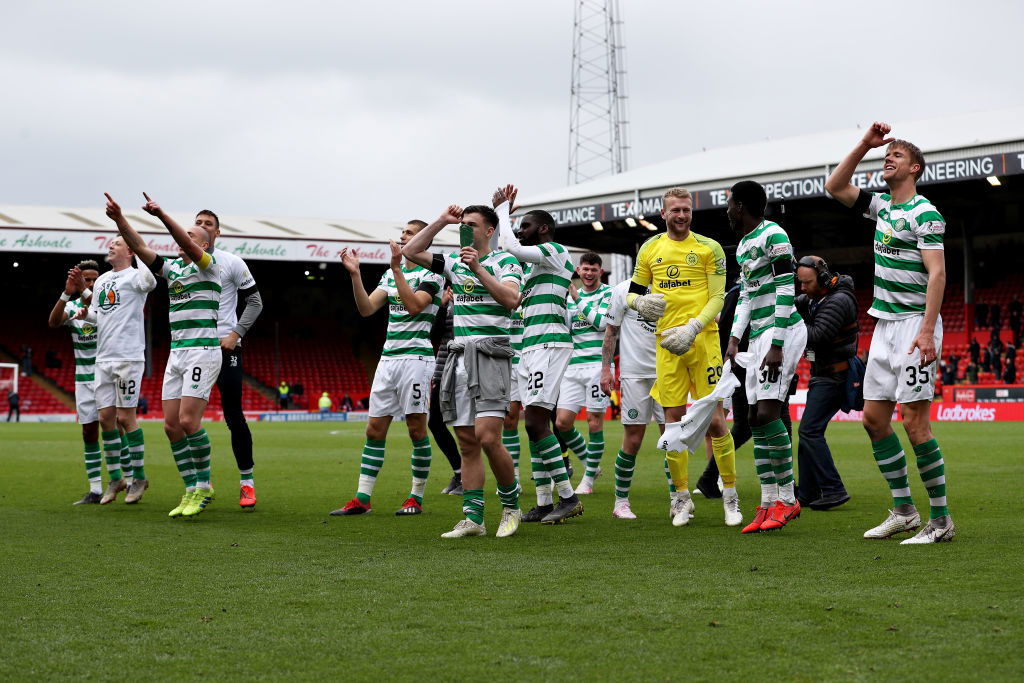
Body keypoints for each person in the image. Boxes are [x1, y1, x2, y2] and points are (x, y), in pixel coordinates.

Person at [825, 121, 954, 544]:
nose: (888, 158)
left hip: (915, 325)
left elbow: (937, 275)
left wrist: (926, 332)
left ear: (915, 168)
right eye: (887, 154)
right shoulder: (882, 207)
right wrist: (865, 143)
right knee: (874, 420)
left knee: (916, 425)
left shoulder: (925, 213)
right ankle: (903, 510)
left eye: (896, 155)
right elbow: (834, 185)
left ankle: (940, 520)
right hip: (883, 325)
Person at [403, 199, 523, 538]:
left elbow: (511, 300)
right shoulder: (453, 261)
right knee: (467, 442)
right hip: (458, 357)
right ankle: (474, 518)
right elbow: (411, 251)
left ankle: (511, 506)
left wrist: (479, 269)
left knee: (488, 437)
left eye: (471, 224)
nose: (464, 228)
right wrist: (441, 220)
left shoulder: (505, 260)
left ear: (489, 230)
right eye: (462, 223)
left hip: (491, 356)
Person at [629, 187, 742, 528]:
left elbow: (718, 297)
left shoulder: (709, 247)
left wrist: (693, 327)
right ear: (663, 214)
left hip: (703, 341)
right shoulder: (650, 249)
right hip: (666, 345)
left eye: (686, 210)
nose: (681, 215)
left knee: (716, 420)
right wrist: (639, 304)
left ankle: (731, 497)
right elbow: (633, 294)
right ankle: (680, 499)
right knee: (673, 421)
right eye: (675, 210)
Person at [106, 192, 223, 518]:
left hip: (203, 352)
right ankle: (189, 490)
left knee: (188, 421)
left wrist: (161, 215)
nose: (186, 238)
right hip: (178, 355)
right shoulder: (172, 272)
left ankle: (203, 486)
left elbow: (185, 243)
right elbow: (141, 248)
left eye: (194, 235)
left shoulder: (209, 267)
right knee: (171, 426)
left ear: (203, 245)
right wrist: (119, 219)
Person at [330, 223, 444, 517]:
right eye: (404, 232)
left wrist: (397, 270)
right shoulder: (389, 273)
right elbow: (367, 308)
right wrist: (355, 275)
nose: (403, 236)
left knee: (416, 429)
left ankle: (415, 498)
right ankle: (362, 498)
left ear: (423, 240)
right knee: (374, 429)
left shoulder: (432, 274)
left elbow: (416, 306)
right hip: (389, 358)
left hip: (416, 360)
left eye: (410, 233)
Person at [495, 187, 584, 524]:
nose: (521, 230)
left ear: (544, 230)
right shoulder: (533, 270)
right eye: (519, 224)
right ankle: (545, 501)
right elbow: (507, 250)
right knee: (535, 426)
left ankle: (569, 497)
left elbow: (509, 245)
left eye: (526, 225)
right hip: (529, 349)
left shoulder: (555, 251)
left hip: (549, 345)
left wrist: (503, 211)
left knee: (534, 421)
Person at [725, 180, 807, 534]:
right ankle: (766, 500)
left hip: (782, 330)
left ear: (740, 206)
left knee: (767, 412)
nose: (728, 209)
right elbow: (745, 295)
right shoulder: (744, 245)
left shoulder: (775, 235)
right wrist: (734, 338)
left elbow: (787, 288)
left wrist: (777, 343)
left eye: (730, 203)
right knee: (754, 419)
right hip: (757, 336)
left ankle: (788, 500)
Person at [85, 220, 158, 505]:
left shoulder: (136, 276)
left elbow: (151, 281)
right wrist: (83, 316)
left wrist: (139, 250)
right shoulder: (102, 280)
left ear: (129, 251)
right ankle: (116, 478)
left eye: (117, 243)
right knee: (105, 419)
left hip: (128, 356)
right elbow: (96, 315)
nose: (111, 246)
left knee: (126, 417)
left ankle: (139, 477)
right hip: (103, 356)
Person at [201, 210, 265, 510]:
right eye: (197, 223)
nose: (202, 227)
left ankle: (247, 484)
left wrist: (235, 334)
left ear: (217, 232)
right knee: (186, 420)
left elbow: (255, 301)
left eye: (208, 224)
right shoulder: (181, 263)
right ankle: (201, 482)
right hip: (192, 348)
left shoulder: (231, 262)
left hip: (226, 349)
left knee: (233, 416)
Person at [793, 255, 857, 510]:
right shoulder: (817, 296)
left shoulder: (838, 301)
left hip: (834, 376)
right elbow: (793, 301)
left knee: (809, 431)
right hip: (825, 374)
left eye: (806, 283)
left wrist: (789, 324)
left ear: (821, 279)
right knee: (808, 432)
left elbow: (818, 336)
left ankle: (833, 489)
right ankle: (807, 493)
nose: (802, 288)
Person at [601, 278, 666, 519]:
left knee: (671, 438)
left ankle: (677, 500)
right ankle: (621, 502)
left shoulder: (672, 285)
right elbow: (611, 332)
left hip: (667, 374)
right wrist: (606, 370)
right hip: (634, 374)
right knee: (633, 439)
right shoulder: (623, 289)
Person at [554, 253, 612, 497]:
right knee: (562, 423)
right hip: (573, 366)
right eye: (585, 269)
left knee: (594, 421)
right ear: (578, 270)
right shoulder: (567, 299)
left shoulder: (607, 294)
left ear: (600, 271)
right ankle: (592, 463)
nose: (588, 274)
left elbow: (601, 323)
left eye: (593, 270)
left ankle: (587, 479)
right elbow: (567, 330)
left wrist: (577, 297)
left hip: (598, 367)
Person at [47, 260, 104, 504]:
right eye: (86, 279)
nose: (89, 283)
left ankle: (130, 481)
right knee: (89, 430)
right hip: (84, 378)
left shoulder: (106, 304)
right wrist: (67, 293)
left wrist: (86, 291)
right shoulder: (72, 307)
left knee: (119, 427)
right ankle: (96, 489)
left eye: (93, 279)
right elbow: (53, 322)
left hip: (107, 373)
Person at [429, 285, 464, 494]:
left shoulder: (475, 296)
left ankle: (468, 477)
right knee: (435, 423)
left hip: (469, 369)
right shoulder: (445, 301)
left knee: (467, 427)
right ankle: (459, 472)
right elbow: (433, 334)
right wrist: (441, 305)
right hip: (443, 370)